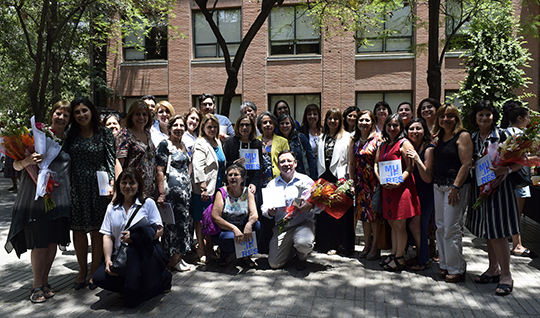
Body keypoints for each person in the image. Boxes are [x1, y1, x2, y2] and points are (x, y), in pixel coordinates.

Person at [5, 101, 72, 303]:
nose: (61, 118)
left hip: (59, 199)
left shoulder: (68, 140)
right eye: (58, 113)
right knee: (40, 242)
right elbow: (16, 165)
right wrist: (27, 161)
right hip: (37, 199)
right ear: (52, 115)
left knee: (52, 241)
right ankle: (36, 285)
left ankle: (45, 281)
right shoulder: (37, 137)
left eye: (65, 115)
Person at [92, 168, 171, 308]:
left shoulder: (148, 204)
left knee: (130, 303)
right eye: (124, 183)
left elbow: (159, 231)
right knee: (98, 278)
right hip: (121, 257)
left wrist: (136, 237)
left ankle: (161, 280)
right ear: (119, 185)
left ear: (138, 185)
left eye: (132, 183)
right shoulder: (112, 206)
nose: (128, 186)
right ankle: (131, 287)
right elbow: (107, 235)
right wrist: (108, 259)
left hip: (143, 257)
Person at [466, 100, 521, 295]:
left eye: (488, 114)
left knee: (498, 233)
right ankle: (493, 269)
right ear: (475, 117)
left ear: (494, 116)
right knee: (489, 232)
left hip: (500, 190)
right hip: (480, 188)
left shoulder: (504, 135)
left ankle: (506, 275)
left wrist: (504, 169)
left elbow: (521, 161)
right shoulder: (472, 137)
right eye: (480, 114)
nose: (484, 118)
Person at [65, 97, 115, 290]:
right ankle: (82, 270)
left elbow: (110, 160)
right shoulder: (71, 134)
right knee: (77, 229)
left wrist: (112, 184)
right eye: (77, 112)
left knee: (96, 230)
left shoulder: (104, 134)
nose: (81, 115)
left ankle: (95, 269)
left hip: (99, 186)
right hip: (76, 186)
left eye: (84, 110)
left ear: (92, 111)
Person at [374, 114, 420, 271]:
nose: (392, 128)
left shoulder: (404, 143)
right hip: (387, 188)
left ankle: (400, 258)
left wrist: (400, 180)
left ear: (401, 127)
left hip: (401, 189)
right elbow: (376, 164)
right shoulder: (383, 145)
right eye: (389, 125)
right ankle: (394, 254)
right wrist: (381, 179)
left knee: (400, 224)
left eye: (395, 125)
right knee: (392, 223)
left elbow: (410, 167)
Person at [432, 104, 472, 282]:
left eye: (449, 116)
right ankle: (444, 264)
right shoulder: (439, 137)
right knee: (440, 227)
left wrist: (455, 187)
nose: (445, 119)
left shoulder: (462, 136)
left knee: (451, 227)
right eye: (442, 116)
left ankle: (457, 268)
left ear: (456, 118)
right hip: (438, 185)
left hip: (455, 187)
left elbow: (466, 164)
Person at [262, 150, 322, 270]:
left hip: (303, 224)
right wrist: (269, 212)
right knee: (274, 264)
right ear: (278, 165)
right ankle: (291, 251)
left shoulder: (306, 181)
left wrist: (309, 207)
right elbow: (264, 208)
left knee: (304, 243)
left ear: (295, 163)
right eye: (282, 161)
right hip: (282, 227)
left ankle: (302, 257)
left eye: (289, 161)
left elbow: (320, 206)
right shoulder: (272, 185)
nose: (286, 164)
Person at [156, 115, 194, 272]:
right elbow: (159, 170)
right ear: (170, 127)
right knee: (172, 226)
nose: (179, 128)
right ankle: (172, 260)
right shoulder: (165, 144)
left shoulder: (183, 144)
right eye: (176, 125)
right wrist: (161, 193)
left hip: (185, 194)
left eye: (182, 125)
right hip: (171, 194)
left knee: (183, 224)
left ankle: (179, 257)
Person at [500, 100, 537, 258]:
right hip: (519, 178)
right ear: (520, 118)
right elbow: (524, 159)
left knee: (509, 211)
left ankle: (511, 241)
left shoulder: (504, 132)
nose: (529, 120)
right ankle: (517, 245)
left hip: (507, 178)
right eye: (527, 117)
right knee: (516, 213)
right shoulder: (521, 135)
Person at [315, 108, 353, 255]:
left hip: (341, 177)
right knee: (325, 215)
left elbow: (350, 161)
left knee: (340, 214)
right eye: (330, 118)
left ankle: (342, 245)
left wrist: (350, 180)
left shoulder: (347, 137)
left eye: (335, 118)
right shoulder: (322, 137)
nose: (332, 121)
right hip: (324, 177)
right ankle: (326, 244)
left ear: (340, 121)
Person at [211, 164, 261, 267]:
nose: (232, 177)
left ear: (242, 178)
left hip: (242, 227)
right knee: (231, 238)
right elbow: (215, 217)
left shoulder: (248, 192)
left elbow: (254, 214)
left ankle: (245, 255)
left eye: (236, 175)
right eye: (230, 175)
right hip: (225, 230)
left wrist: (249, 224)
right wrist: (234, 229)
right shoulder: (221, 192)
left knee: (258, 226)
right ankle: (222, 252)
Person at [192, 114, 225, 263]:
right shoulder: (200, 143)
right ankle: (201, 250)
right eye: (209, 127)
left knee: (210, 218)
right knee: (200, 219)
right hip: (204, 188)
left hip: (216, 186)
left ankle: (210, 248)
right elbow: (198, 166)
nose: (212, 129)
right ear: (203, 127)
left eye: (214, 127)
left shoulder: (217, 141)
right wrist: (202, 187)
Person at [348, 110, 381, 260]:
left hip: (373, 182)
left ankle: (375, 247)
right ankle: (367, 245)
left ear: (372, 122)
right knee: (364, 216)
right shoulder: (353, 140)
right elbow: (351, 163)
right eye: (361, 120)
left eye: (367, 120)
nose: (363, 123)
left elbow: (378, 162)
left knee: (374, 216)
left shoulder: (377, 139)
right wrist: (352, 181)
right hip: (360, 183)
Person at [405, 118, 435, 271]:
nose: (415, 132)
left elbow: (428, 177)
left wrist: (417, 159)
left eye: (418, 129)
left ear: (424, 131)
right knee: (413, 226)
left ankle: (424, 260)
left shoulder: (428, 149)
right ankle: (419, 256)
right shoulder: (407, 146)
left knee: (419, 226)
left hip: (424, 193)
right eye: (411, 129)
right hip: (411, 192)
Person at [115, 101, 156, 197]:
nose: (141, 117)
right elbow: (119, 163)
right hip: (132, 187)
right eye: (137, 114)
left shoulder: (147, 133)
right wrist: (118, 189)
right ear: (131, 116)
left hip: (149, 188)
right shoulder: (124, 135)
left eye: (144, 114)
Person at [223, 115, 263, 194]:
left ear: (252, 127)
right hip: (232, 185)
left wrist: (254, 183)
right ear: (237, 127)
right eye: (241, 125)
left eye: (247, 125)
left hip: (251, 185)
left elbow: (260, 166)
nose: (244, 127)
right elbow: (223, 164)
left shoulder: (257, 144)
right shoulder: (229, 142)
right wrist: (233, 164)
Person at [277, 113, 317, 179]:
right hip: (283, 179)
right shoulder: (275, 140)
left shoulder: (300, 137)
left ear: (292, 125)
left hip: (303, 176)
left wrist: (313, 178)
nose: (285, 126)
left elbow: (311, 158)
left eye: (287, 123)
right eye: (282, 123)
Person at [257, 112, 290, 182]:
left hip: (278, 179)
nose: (268, 125)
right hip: (259, 180)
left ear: (274, 125)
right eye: (265, 122)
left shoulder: (283, 141)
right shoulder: (255, 141)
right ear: (260, 125)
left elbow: (288, 160)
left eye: (270, 122)